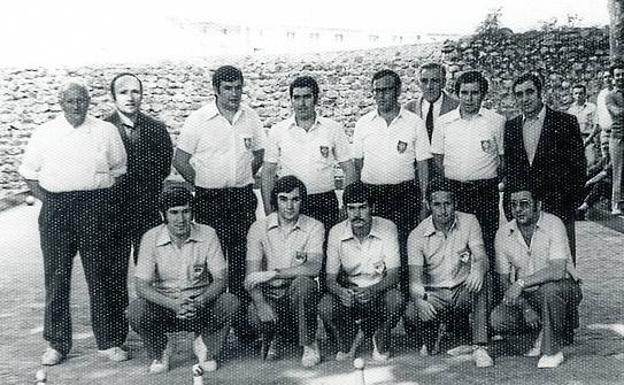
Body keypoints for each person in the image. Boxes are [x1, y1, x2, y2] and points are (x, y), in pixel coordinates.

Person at [19, 79, 128, 365]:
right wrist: (52, 200)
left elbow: (119, 170)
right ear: (61, 103)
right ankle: (57, 343)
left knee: (100, 276)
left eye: (81, 100)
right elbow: (30, 173)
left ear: (89, 102)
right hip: (57, 209)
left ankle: (109, 340)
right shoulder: (44, 133)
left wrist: (100, 204)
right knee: (56, 277)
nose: (77, 106)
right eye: (71, 101)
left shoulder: (106, 131)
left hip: (96, 209)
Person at [173, 65, 264, 337]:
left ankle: (243, 326)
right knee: (213, 264)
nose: (234, 93)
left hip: (241, 198)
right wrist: (202, 184)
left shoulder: (251, 118)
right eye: (228, 88)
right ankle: (212, 326)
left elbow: (259, 154)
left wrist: (243, 174)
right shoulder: (198, 119)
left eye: (238, 87)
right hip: (209, 199)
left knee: (242, 261)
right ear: (216, 89)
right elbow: (180, 161)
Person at [128, 187, 240, 374]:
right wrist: (173, 305)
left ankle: (206, 344)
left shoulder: (208, 234)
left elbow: (221, 279)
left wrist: (199, 301)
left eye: (186, 211)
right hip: (166, 305)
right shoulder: (150, 237)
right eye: (173, 212)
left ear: (192, 212)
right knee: (136, 310)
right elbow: (141, 286)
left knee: (230, 302)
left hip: (200, 305)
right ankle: (160, 349)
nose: (180, 219)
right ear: (163, 214)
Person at [352, 69, 432, 293]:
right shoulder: (363, 123)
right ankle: (377, 299)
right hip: (372, 195)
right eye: (377, 90)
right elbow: (358, 164)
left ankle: (406, 301)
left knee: (405, 247)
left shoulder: (414, 123)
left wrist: (424, 200)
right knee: (375, 249)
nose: (382, 95)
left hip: (404, 195)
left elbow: (423, 164)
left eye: (387, 90)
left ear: (397, 91)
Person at [431, 70, 505, 298]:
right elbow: (438, 159)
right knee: (456, 247)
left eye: (475, 93)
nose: (469, 98)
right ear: (457, 94)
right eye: (465, 92)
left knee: (486, 244)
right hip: (456, 191)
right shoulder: (444, 123)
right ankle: (457, 313)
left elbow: (502, 160)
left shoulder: (496, 121)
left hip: (485, 191)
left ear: (483, 95)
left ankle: (488, 305)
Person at [491, 184, 582, 369]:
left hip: (562, 290)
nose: (518, 209)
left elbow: (557, 270)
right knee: (498, 318)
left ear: (538, 205)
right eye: (513, 204)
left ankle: (552, 351)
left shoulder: (554, 224)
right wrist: (525, 308)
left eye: (524, 203)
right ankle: (545, 333)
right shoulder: (503, 234)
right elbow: (503, 281)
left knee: (550, 290)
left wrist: (521, 283)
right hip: (529, 297)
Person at [405, 177, 492, 368]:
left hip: (463, 289)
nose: (443, 210)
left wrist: (477, 268)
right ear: (428, 205)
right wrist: (419, 300)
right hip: (435, 295)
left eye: (447, 204)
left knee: (484, 280)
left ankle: (480, 346)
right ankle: (437, 331)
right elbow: (415, 282)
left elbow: (482, 256)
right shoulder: (417, 235)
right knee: (412, 313)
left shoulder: (469, 221)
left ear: (455, 203)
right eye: (437, 204)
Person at [318, 182, 405, 362]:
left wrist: (373, 290)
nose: (357, 215)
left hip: (379, 291)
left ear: (372, 207)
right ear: (345, 210)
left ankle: (379, 337)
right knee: (325, 305)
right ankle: (349, 337)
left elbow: (395, 274)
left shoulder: (388, 227)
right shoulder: (336, 232)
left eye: (363, 208)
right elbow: (329, 279)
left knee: (396, 299)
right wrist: (341, 292)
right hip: (350, 292)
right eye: (351, 209)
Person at [504, 73, 586, 263]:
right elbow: (511, 170)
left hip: (559, 206)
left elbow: (579, 167)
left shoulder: (565, 122)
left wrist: (571, 202)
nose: (525, 98)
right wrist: (511, 208)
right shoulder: (511, 127)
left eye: (529, 92)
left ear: (540, 93)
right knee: (529, 262)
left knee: (563, 263)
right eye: (519, 94)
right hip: (525, 210)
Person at [246, 175, 324, 367]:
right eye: (283, 199)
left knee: (305, 284)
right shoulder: (258, 227)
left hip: (295, 292)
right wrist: (261, 303)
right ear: (275, 200)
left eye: (295, 199)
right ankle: (275, 336)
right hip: (269, 293)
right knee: (251, 312)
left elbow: (314, 267)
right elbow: (251, 277)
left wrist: (275, 273)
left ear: (302, 201)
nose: (289, 206)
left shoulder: (315, 226)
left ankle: (309, 343)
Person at [261, 76, 355, 235]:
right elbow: (268, 172)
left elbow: (349, 169)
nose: (301, 103)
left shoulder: (332, 128)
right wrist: (270, 211)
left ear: (315, 99)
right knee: (292, 254)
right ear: (291, 100)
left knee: (324, 253)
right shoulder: (278, 131)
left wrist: (347, 205)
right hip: (291, 203)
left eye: (306, 97)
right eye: (296, 97)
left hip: (324, 202)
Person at [105, 73, 173, 264]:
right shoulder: (103, 129)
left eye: (135, 91)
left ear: (142, 95)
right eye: (123, 92)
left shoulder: (157, 129)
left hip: (147, 211)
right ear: (113, 97)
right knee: (114, 273)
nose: (130, 97)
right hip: (114, 213)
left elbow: (163, 167)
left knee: (150, 268)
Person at [404, 62, 459, 143]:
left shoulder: (457, 107)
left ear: (443, 83)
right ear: (419, 83)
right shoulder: (409, 108)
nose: (429, 86)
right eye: (424, 81)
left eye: (435, 81)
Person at [605, 62, 624, 215]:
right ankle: (615, 205)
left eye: (623, 74)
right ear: (612, 78)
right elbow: (616, 112)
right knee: (618, 172)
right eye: (618, 75)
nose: (621, 77)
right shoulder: (610, 96)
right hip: (618, 138)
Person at [567, 84, 597, 167]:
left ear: (585, 94)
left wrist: (588, 139)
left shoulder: (592, 107)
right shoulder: (571, 110)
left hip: (589, 139)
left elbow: (596, 126)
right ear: (573, 95)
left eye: (581, 93)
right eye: (576, 93)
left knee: (590, 163)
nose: (578, 96)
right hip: (575, 140)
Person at [593, 69, 614, 162]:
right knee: (605, 159)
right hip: (604, 133)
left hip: (616, 133)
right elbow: (599, 114)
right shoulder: (601, 94)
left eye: (609, 76)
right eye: (605, 77)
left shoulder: (618, 92)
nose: (608, 79)